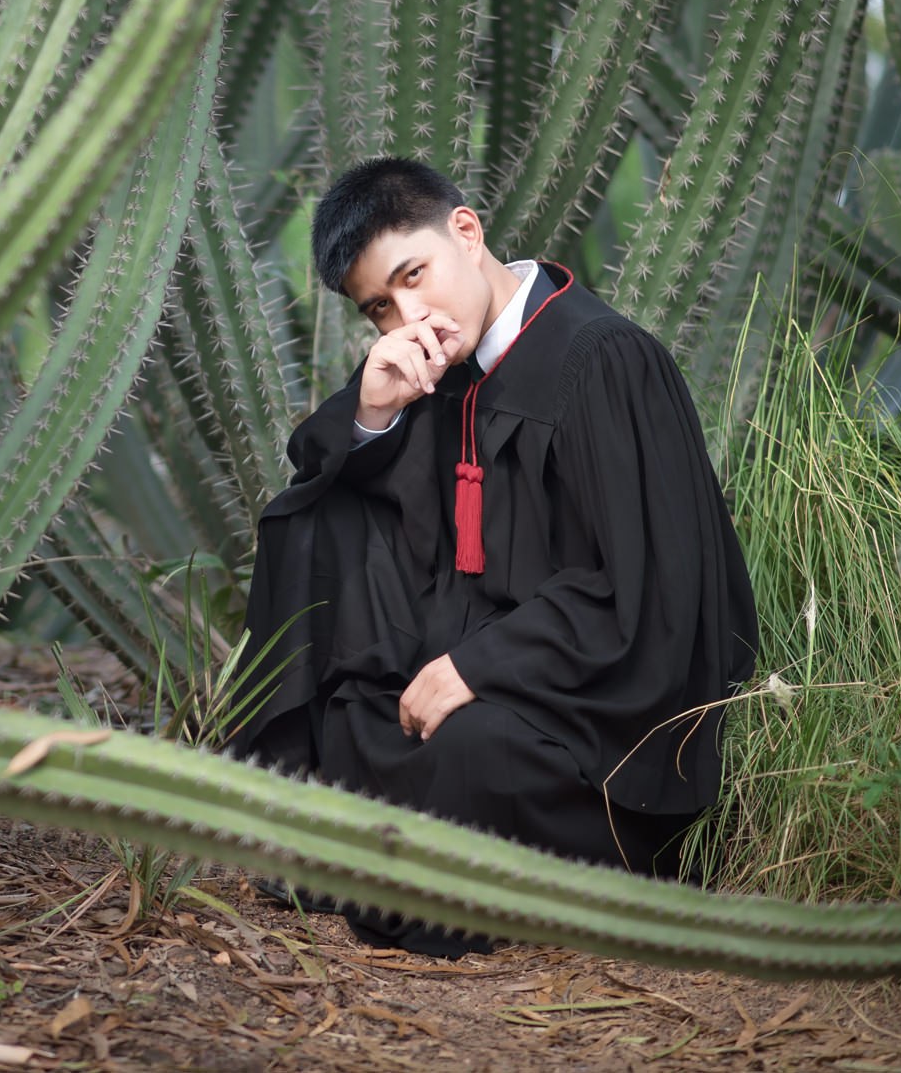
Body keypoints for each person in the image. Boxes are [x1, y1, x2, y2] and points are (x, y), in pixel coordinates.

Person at [230, 157, 758, 955]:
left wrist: (478, 668)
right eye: (380, 307)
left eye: (415, 275)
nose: (410, 315)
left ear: (466, 232)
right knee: (349, 703)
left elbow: (643, 589)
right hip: (488, 680)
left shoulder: (601, 359)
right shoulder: (440, 374)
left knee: (470, 756)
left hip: (599, 722)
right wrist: (371, 413)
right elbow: (361, 520)